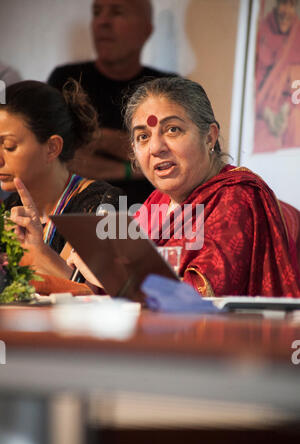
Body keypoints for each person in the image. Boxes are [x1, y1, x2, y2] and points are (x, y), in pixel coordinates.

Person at [69, 76, 300, 297]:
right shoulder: (156, 202)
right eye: (143, 136)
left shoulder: (237, 196)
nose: (156, 147)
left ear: (209, 137)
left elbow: (197, 297)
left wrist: (111, 272)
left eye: (172, 130)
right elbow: (109, 291)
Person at [48, 0, 176, 206]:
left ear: (146, 30)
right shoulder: (67, 80)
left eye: (117, 12)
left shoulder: (169, 88)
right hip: (76, 216)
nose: (102, 21)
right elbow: (59, 157)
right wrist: (140, 164)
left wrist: (92, 139)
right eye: (97, 12)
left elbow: (176, 157)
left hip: (147, 221)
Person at [0, 79, 123, 288]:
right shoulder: (9, 209)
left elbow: (108, 300)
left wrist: (40, 253)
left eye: (9, 146)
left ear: (52, 147)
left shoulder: (104, 204)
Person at [254, 0, 300, 152]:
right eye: (283, 4)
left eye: (291, 6)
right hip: (264, 108)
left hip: (291, 103)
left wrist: (287, 107)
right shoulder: (263, 31)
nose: (286, 11)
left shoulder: (297, 33)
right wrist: (267, 114)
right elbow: (255, 83)